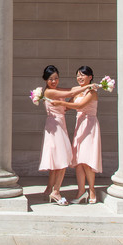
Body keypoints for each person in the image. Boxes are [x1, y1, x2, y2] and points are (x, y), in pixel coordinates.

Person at [37, 65, 90, 205]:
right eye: (51, 79)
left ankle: (49, 189)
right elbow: (69, 93)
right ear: (46, 79)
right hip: (55, 127)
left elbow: (68, 96)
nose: (54, 81)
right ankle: (56, 191)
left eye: (56, 78)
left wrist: (83, 89)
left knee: (57, 160)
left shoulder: (56, 91)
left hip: (59, 124)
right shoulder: (49, 92)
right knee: (62, 160)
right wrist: (87, 87)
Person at [50, 66, 102, 204]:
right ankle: (81, 192)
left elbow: (79, 106)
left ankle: (91, 190)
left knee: (87, 160)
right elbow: (67, 107)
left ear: (90, 77)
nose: (79, 78)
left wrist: (60, 102)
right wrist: (49, 102)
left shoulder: (91, 92)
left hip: (89, 126)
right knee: (78, 161)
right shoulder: (77, 92)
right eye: (78, 75)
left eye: (83, 75)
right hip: (80, 125)